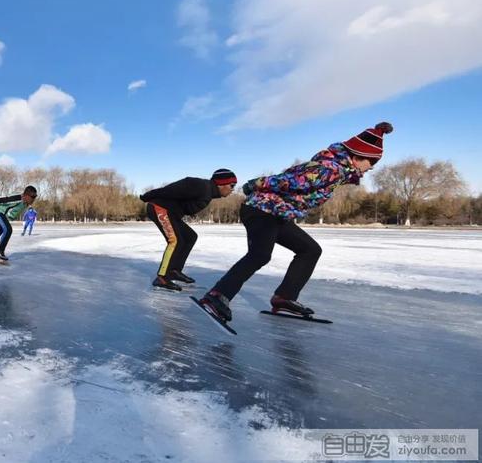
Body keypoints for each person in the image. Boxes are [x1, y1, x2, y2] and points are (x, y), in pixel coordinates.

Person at [199, 122, 394, 322]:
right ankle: (216, 296)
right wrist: (257, 183)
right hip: (261, 209)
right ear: (357, 157)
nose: (371, 168)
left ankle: (284, 297)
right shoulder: (330, 169)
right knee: (260, 255)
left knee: (309, 250)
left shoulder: (339, 169)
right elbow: (289, 181)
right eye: (372, 162)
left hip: (277, 213)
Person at [140, 169, 238, 291]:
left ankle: (174, 271)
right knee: (174, 240)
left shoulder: (208, 192)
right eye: (232, 185)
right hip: (159, 208)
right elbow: (175, 188)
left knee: (190, 236)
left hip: (171, 213)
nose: (233, 189)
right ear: (221, 184)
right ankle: (162, 277)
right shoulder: (201, 186)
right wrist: (150, 195)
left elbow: (185, 205)